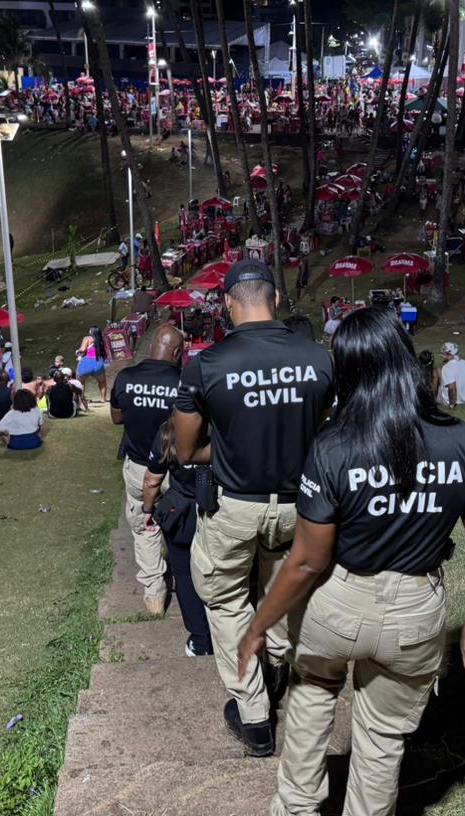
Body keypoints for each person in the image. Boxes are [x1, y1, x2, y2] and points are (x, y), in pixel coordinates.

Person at [237, 308, 465, 815]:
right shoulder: (459, 439)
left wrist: (260, 624)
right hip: (416, 610)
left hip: (338, 599)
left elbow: (308, 562)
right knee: (383, 739)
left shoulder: (334, 445)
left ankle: (295, 808)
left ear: (348, 370)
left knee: (313, 694)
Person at [172, 258, 335, 757]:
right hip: (300, 507)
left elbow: (184, 450)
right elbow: (330, 433)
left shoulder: (207, 364)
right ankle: (279, 671)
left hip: (234, 506)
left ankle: (255, 717)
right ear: (277, 299)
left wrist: (231, 448)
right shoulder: (320, 358)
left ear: (226, 303)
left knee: (225, 603)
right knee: (281, 591)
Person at [110, 323, 184, 615]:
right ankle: (186, 579)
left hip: (139, 467)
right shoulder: (184, 381)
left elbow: (117, 418)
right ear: (177, 352)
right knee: (183, 524)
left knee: (145, 527)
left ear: (153, 346)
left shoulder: (125, 377)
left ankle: (154, 596)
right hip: (176, 471)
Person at [142, 416, 213, 657]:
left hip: (183, 514)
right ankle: (228, 636)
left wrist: (148, 509)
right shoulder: (225, 422)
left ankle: (202, 640)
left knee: (184, 575)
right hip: (220, 510)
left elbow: (152, 480)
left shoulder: (169, 431)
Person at [75, 326, 109, 404]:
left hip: (87, 363)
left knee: (81, 382)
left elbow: (83, 349)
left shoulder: (87, 338)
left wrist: (77, 351)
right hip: (98, 363)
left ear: (91, 331)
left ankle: (82, 399)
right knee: (102, 382)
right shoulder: (101, 340)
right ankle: (103, 399)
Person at [438, 341, 465, 407]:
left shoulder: (447, 367)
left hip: (450, 401)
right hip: (464, 399)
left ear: (450, 354)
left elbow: (451, 388)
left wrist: (452, 405)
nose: (442, 356)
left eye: (443, 354)